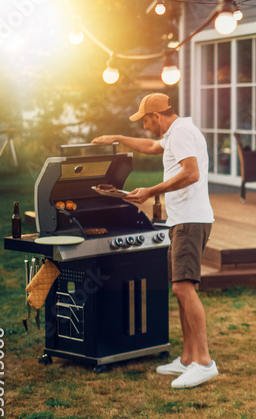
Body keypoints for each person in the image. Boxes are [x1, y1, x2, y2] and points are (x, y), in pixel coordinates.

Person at [92, 93, 217, 389]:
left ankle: (204, 362)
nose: (146, 127)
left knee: (183, 287)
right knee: (181, 289)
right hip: (183, 220)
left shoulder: (182, 132)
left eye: (146, 120)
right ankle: (188, 359)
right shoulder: (175, 132)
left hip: (189, 220)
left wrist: (151, 191)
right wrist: (118, 137)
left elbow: (191, 173)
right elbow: (150, 146)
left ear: (157, 115)